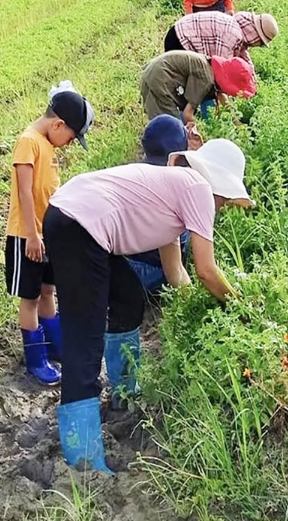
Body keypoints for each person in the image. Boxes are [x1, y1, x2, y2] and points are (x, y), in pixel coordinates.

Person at [44, 138, 253, 473]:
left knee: (126, 295)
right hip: (79, 225)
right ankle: (83, 457)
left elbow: (177, 275)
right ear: (220, 186)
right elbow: (207, 271)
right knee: (85, 336)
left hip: (72, 216)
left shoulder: (173, 194)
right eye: (226, 201)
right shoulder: (198, 188)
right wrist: (241, 309)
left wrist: (197, 315)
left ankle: (124, 395)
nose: (223, 207)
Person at [5, 81, 94, 385]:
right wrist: (32, 234)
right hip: (26, 235)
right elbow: (26, 192)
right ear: (58, 123)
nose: (68, 143)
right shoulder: (28, 141)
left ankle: (57, 346)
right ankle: (36, 359)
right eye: (70, 137)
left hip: (46, 234)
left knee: (47, 290)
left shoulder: (46, 143)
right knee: (29, 297)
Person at [124, 116, 201, 293]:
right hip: (143, 268)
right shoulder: (167, 192)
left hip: (120, 256)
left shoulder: (137, 171)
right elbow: (175, 273)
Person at [139, 50, 256, 124]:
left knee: (166, 124)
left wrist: (237, 122)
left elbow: (221, 95)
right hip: (160, 78)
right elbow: (187, 114)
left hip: (155, 71)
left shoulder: (210, 67)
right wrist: (204, 136)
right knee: (171, 127)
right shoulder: (205, 80)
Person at [163, 11, 278, 65]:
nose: (258, 45)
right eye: (260, 42)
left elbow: (245, 61)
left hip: (181, 34)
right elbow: (221, 67)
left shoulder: (239, 29)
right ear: (256, 35)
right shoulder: (233, 34)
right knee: (195, 80)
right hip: (179, 40)